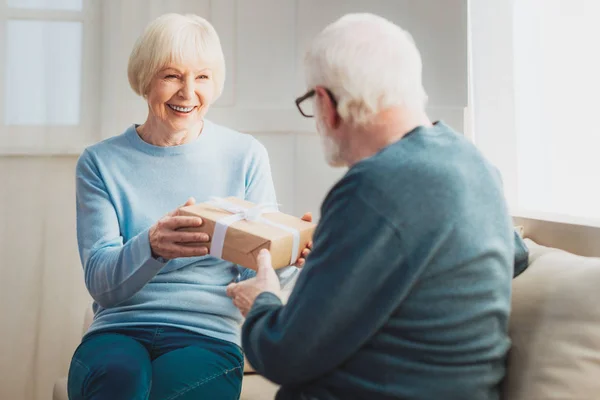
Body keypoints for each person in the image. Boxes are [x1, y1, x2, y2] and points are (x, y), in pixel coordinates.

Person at [227, 13, 528, 400]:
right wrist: (349, 257)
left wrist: (262, 298)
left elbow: (281, 354)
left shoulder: (372, 188)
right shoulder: (475, 164)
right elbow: (512, 255)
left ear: (326, 102)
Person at [67, 13, 310, 400]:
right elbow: (101, 282)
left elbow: (260, 272)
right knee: (120, 383)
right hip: (118, 329)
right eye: (171, 75)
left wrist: (291, 254)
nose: (187, 92)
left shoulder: (244, 155)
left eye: (202, 77)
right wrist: (151, 246)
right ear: (145, 79)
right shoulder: (100, 163)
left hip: (208, 333)